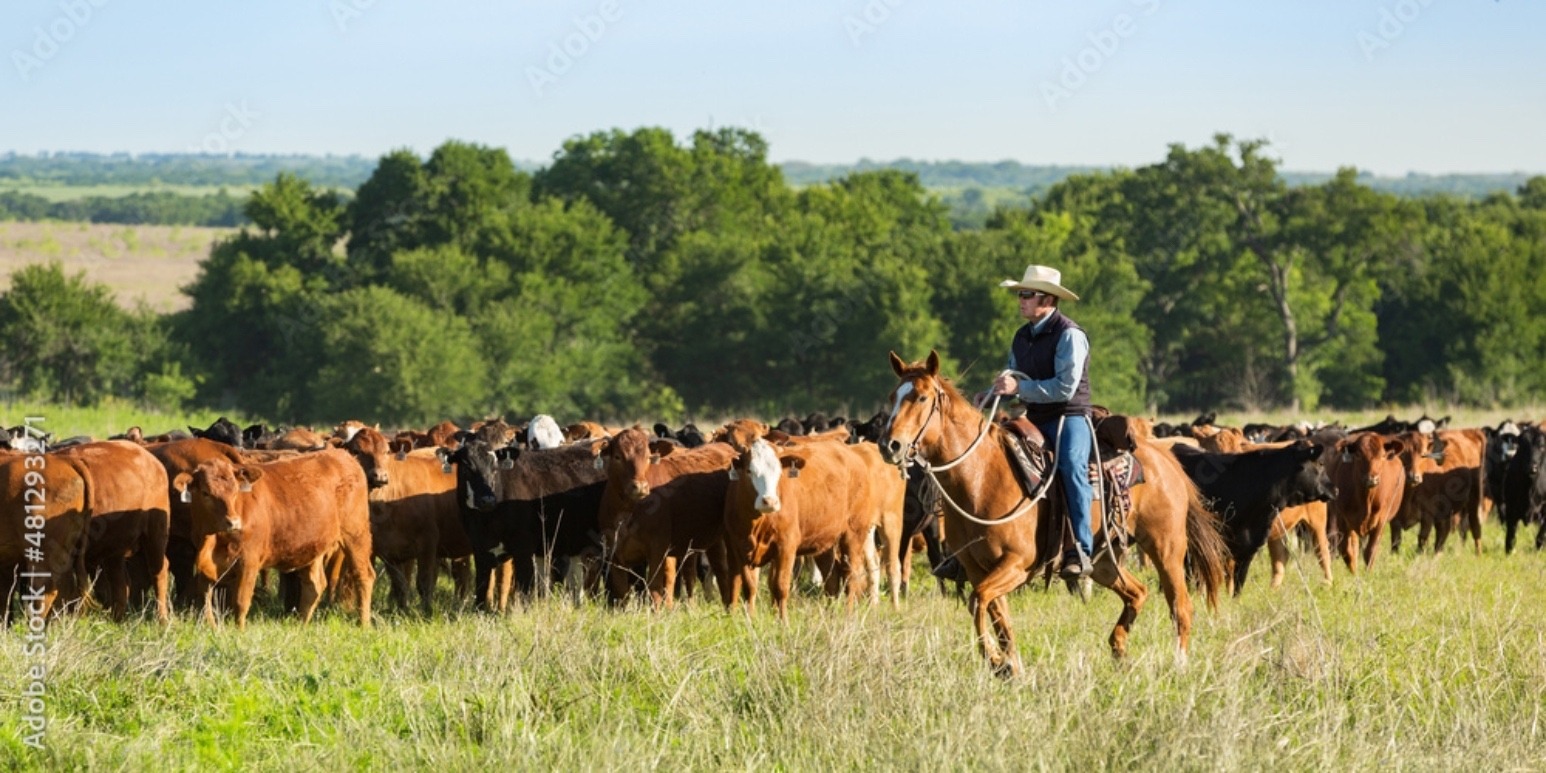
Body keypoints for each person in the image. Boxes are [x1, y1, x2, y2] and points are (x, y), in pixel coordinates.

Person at [990, 264, 1095, 580]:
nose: (1020, 300)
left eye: (1026, 294)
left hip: (1070, 417)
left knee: (1072, 466)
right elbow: (1013, 375)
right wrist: (990, 393)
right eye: (1020, 294)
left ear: (1047, 299)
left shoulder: (1070, 335)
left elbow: (1065, 387)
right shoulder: (1022, 336)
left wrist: (1019, 388)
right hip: (1034, 417)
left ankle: (1081, 548)